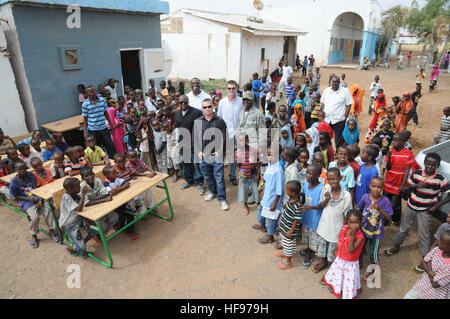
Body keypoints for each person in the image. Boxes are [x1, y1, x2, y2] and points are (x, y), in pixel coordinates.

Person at [385, 153, 450, 272]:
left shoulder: (440, 179)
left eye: (433, 165)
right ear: (424, 163)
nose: (430, 167)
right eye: (428, 164)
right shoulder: (417, 173)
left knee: (424, 234)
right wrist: (417, 185)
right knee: (404, 228)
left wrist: (436, 206)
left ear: (437, 166)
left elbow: (448, 195)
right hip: (411, 206)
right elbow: (409, 186)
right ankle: (396, 246)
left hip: (426, 210)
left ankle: (424, 260)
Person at [9, 162, 58, 248]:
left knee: (48, 209)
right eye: (20, 169)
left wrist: (39, 199)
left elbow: (35, 187)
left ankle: (51, 230)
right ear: (16, 170)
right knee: (35, 217)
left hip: (36, 196)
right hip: (26, 200)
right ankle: (34, 235)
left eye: (24, 168)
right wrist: (28, 199)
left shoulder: (30, 175)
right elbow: (16, 196)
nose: (23, 171)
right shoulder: (13, 182)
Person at [313, 168, 352, 273]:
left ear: (340, 178)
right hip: (323, 226)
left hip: (336, 230)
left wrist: (344, 232)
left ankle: (331, 271)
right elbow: (321, 205)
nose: (332, 182)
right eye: (329, 179)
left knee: (332, 253)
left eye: (334, 179)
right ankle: (323, 262)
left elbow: (347, 216)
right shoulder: (326, 188)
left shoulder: (346, 196)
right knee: (322, 248)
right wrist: (327, 199)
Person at [321, 209, 365, 299]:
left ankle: (347, 293)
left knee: (348, 279)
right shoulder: (344, 228)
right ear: (347, 221)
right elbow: (340, 240)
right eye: (351, 222)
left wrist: (352, 237)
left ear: (360, 222)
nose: (353, 225)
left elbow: (350, 250)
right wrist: (337, 249)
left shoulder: (360, 237)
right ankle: (337, 288)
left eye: (356, 223)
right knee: (339, 274)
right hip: (340, 258)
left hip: (350, 262)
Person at [195, 98, 229, 211]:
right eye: (205, 107)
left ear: (213, 107)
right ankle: (213, 192)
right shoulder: (198, 121)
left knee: (219, 177)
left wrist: (220, 151)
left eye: (209, 106)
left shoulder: (219, 121)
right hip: (204, 155)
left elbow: (225, 137)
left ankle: (222, 198)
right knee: (207, 176)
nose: (207, 109)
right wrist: (198, 151)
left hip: (216, 155)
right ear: (202, 108)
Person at [358, 177, 393, 281]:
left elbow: (389, 218)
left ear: (382, 188)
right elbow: (359, 210)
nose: (376, 189)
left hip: (376, 233)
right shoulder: (365, 197)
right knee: (360, 248)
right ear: (370, 186)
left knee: (373, 253)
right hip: (363, 229)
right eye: (374, 186)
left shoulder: (385, 201)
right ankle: (359, 263)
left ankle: (372, 270)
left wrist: (380, 209)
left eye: (379, 187)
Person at [403, 230, 450, 299]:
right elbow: (423, 261)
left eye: (442, 243)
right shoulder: (437, 249)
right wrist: (430, 272)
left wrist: (428, 264)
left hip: (434, 296)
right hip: (421, 287)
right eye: (439, 240)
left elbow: (435, 284)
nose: (438, 243)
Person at [253, 146, 284, 244]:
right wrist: (263, 189)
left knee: (270, 218)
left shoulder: (278, 170)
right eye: (268, 154)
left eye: (271, 154)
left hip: (272, 199)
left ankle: (270, 235)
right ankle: (263, 226)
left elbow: (279, 189)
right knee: (260, 210)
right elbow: (267, 180)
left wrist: (275, 203)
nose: (269, 157)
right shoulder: (270, 165)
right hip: (267, 195)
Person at [59, 178, 97, 258]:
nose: (80, 187)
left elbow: (81, 208)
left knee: (94, 230)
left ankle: (79, 245)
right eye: (78, 186)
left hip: (77, 218)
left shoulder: (76, 195)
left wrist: (85, 219)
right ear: (71, 189)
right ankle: (75, 247)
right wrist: (83, 194)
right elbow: (79, 209)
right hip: (69, 224)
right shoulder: (67, 197)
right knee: (82, 248)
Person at [299, 164, 328, 267]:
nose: (307, 175)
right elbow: (303, 194)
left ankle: (309, 254)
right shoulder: (306, 184)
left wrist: (309, 208)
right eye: (307, 172)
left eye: (310, 173)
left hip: (314, 219)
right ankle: (308, 248)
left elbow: (322, 205)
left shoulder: (321, 189)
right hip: (306, 216)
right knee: (306, 235)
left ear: (318, 175)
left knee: (313, 237)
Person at [175, 94, 204, 194]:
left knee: (197, 164)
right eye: (181, 102)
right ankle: (188, 181)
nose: (183, 104)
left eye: (185, 102)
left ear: (188, 102)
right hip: (183, 143)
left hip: (195, 144)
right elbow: (178, 129)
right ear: (178, 103)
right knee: (186, 164)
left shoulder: (197, 112)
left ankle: (199, 183)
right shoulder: (177, 113)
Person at [79, 166, 118, 240]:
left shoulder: (97, 181)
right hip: (90, 211)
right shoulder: (83, 187)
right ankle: (99, 236)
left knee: (115, 217)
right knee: (102, 226)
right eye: (86, 176)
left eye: (91, 174)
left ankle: (101, 235)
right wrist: (104, 200)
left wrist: (93, 200)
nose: (90, 177)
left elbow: (105, 193)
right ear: (83, 178)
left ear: (94, 174)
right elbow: (87, 203)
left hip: (100, 206)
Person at [383, 133, 414, 225]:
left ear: (403, 142)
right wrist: (389, 157)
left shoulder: (408, 153)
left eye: (396, 140)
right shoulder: (391, 152)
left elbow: (407, 170)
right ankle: (385, 219)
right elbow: (388, 168)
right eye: (393, 140)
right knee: (386, 201)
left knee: (395, 204)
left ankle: (396, 220)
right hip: (388, 182)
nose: (393, 142)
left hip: (399, 184)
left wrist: (403, 185)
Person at [218, 80, 244, 186]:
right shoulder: (222, 102)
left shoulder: (241, 101)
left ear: (237, 89)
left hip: (237, 133)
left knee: (233, 155)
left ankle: (232, 176)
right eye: (229, 88)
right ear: (226, 89)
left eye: (233, 88)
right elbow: (219, 116)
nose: (231, 90)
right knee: (222, 154)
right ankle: (219, 176)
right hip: (225, 133)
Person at [102, 166, 138, 241]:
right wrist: (119, 189)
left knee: (130, 214)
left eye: (115, 172)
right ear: (107, 176)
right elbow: (111, 193)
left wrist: (118, 189)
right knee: (121, 216)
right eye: (114, 173)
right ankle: (121, 227)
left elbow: (127, 184)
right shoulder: (106, 183)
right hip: (114, 206)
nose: (116, 173)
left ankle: (130, 230)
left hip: (122, 202)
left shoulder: (116, 178)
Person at [276, 180, 304, 270]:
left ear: (293, 193)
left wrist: (291, 230)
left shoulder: (297, 205)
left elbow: (297, 219)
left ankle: (289, 263)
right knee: (286, 242)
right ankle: (286, 254)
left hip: (289, 229)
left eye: (287, 190)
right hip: (285, 227)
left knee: (288, 244)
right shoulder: (291, 199)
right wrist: (286, 206)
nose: (286, 192)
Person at [82, 85, 116, 157]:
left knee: (109, 145)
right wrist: (85, 131)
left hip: (103, 128)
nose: (91, 93)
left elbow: (106, 113)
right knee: (97, 147)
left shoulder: (102, 100)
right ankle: (101, 163)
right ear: (87, 93)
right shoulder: (85, 104)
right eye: (89, 92)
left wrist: (111, 125)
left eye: (93, 91)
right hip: (93, 130)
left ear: (95, 91)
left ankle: (113, 161)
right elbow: (85, 118)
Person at [320, 76, 353, 147]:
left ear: (339, 82)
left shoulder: (345, 91)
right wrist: (323, 114)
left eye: (336, 82)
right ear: (331, 82)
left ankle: (337, 151)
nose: (334, 83)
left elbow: (348, 105)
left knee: (338, 138)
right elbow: (322, 103)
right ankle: (328, 150)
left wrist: (345, 117)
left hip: (339, 119)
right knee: (326, 137)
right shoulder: (326, 90)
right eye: (333, 82)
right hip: (327, 119)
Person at [236, 133, 260, 215]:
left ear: (247, 140)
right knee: (244, 191)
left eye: (244, 140)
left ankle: (258, 204)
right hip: (243, 175)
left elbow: (258, 162)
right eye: (240, 140)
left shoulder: (253, 150)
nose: (242, 142)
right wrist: (239, 160)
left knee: (255, 190)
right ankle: (245, 205)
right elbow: (238, 165)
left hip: (253, 174)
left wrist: (258, 174)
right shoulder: (238, 152)